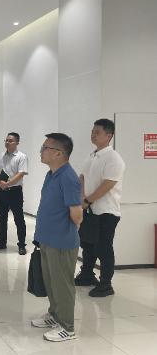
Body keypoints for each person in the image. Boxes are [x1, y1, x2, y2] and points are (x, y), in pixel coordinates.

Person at [31, 133, 83, 342]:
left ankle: (67, 327)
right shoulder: (51, 174)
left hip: (61, 241)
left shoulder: (69, 177)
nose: (41, 151)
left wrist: (73, 227)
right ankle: (54, 315)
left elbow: (76, 213)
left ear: (59, 153)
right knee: (51, 282)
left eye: (45, 148)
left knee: (62, 285)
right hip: (47, 238)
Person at [75, 119, 125, 297]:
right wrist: (82, 197)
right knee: (88, 244)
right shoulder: (91, 156)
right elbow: (81, 177)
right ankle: (87, 274)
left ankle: (106, 283)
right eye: (92, 131)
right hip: (90, 210)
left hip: (106, 211)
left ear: (109, 136)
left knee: (103, 248)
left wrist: (88, 200)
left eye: (98, 132)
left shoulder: (113, 158)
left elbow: (108, 184)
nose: (93, 135)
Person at [0, 132, 29, 255]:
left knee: (19, 218)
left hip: (15, 191)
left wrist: (7, 184)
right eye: (6, 140)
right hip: (1, 191)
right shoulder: (0, 156)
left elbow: (21, 174)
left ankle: (22, 244)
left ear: (17, 143)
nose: (7, 142)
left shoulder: (21, 157)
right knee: (2, 217)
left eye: (11, 141)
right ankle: (2, 242)